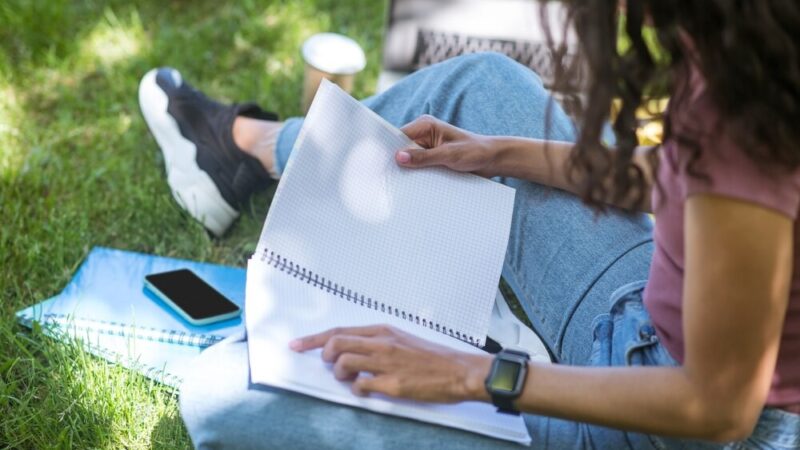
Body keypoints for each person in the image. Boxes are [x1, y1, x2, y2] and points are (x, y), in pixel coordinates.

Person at [138, 1, 800, 448]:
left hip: (657, 424)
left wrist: (471, 375)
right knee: (478, 85)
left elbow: (719, 410)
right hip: (643, 321)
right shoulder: (752, 49)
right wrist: (501, 153)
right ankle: (246, 150)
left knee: (218, 397)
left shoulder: (745, 122)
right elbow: (689, 181)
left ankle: (245, 150)